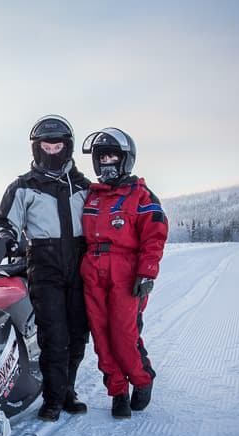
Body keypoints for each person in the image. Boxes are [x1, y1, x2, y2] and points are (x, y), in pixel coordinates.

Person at [0, 114, 91, 422]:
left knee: (77, 334)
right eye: (46, 145)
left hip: (79, 265)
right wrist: (7, 237)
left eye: (57, 145)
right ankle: (52, 399)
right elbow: (5, 221)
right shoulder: (23, 187)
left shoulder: (84, 186)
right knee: (53, 335)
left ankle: (68, 392)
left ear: (68, 147)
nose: (52, 150)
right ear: (37, 148)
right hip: (44, 266)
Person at [79, 127, 168, 419]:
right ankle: (117, 392)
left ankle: (142, 380)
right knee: (101, 337)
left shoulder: (141, 195)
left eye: (112, 156)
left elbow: (155, 235)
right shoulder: (90, 196)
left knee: (123, 334)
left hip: (125, 271)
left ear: (125, 159)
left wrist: (147, 273)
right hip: (92, 269)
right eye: (101, 157)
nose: (106, 162)